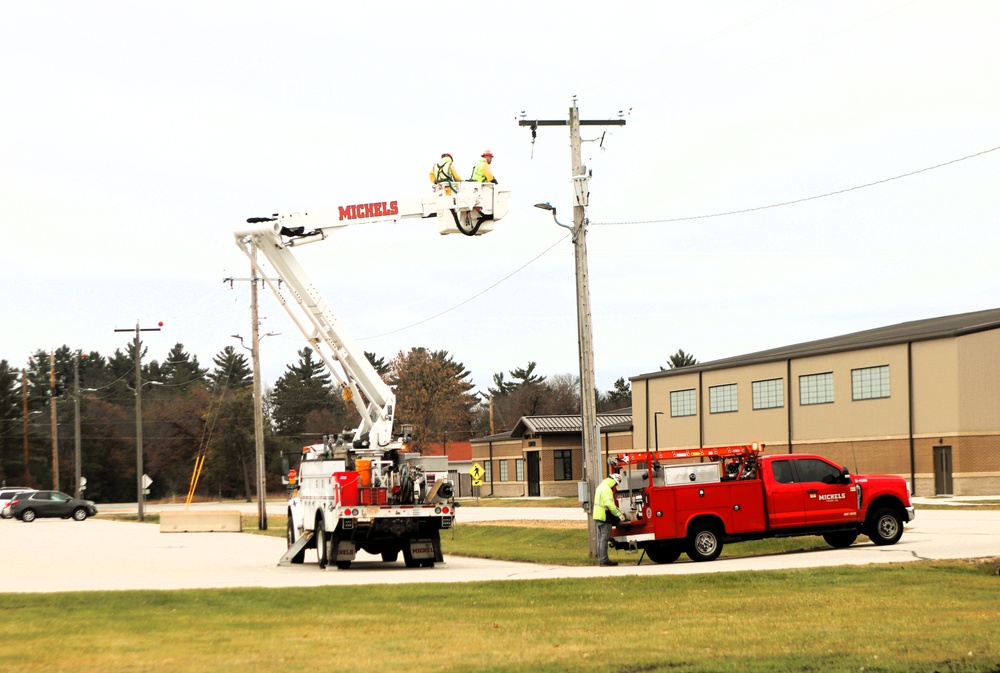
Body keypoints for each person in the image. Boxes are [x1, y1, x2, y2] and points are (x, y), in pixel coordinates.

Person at [593, 472, 628, 567]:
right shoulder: (607, 489)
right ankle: (604, 560)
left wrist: (618, 510)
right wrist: (619, 514)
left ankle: (602, 559)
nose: (615, 487)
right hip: (605, 517)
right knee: (604, 539)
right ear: (614, 481)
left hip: (598, 516)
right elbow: (609, 505)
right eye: (616, 484)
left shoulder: (601, 486)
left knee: (601, 539)